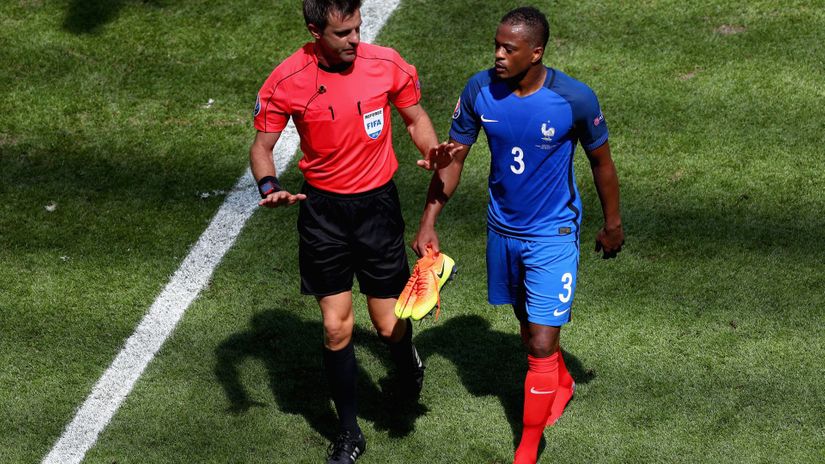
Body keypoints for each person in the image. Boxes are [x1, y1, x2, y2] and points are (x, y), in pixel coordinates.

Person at [412, 6, 624, 464]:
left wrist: (612, 225)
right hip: (502, 231)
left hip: (553, 232)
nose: (498, 55)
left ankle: (527, 449)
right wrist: (429, 221)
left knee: (541, 343)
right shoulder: (479, 90)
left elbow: (601, 163)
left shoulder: (574, 99)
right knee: (530, 332)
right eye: (496, 45)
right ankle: (559, 382)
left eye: (509, 48)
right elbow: (455, 159)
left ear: (536, 52)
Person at [249, 1, 447, 463]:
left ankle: (407, 364)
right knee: (336, 329)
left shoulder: (386, 64)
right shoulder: (286, 80)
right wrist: (269, 184)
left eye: (358, 28)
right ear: (315, 30)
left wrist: (432, 150)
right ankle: (348, 432)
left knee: (386, 325)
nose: (355, 40)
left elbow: (415, 119)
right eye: (343, 33)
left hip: (377, 209)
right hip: (323, 216)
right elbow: (262, 147)